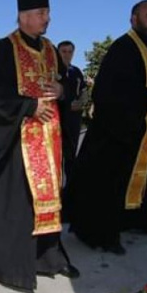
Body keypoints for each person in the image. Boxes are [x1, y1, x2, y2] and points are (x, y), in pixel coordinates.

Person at [0, 0, 79, 291]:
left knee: (49, 199)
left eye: (48, 13)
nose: (47, 19)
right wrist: (28, 106)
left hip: (49, 141)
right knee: (18, 203)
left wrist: (61, 92)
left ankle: (48, 256)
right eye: (41, 13)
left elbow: (64, 84)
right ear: (23, 16)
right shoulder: (4, 48)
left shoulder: (52, 49)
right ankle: (9, 262)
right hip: (16, 142)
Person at [67, 0, 147, 255]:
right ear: (133, 19)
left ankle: (139, 221)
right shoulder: (123, 47)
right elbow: (111, 89)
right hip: (120, 132)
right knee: (112, 185)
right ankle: (103, 235)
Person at [56, 40, 88, 202]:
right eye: (63, 51)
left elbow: (83, 91)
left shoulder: (76, 71)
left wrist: (82, 103)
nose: (67, 54)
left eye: (69, 51)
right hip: (57, 119)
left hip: (73, 120)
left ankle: (70, 196)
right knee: (56, 158)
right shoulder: (53, 71)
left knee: (70, 157)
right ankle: (55, 193)